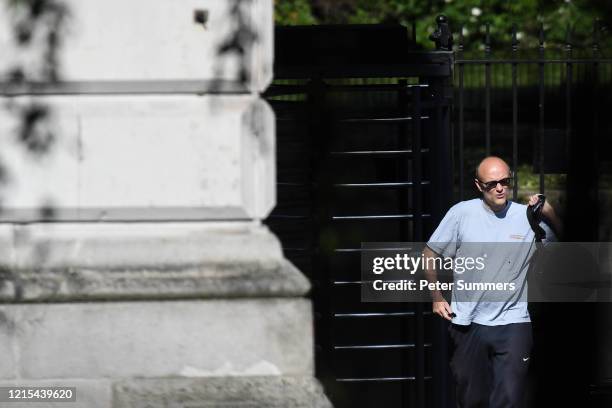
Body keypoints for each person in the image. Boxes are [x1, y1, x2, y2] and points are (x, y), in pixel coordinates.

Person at [422, 156, 562, 408]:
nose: (499, 188)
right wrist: (436, 297)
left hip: (513, 322)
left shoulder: (527, 216)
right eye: (491, 184)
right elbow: (429, 253)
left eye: (505, 181)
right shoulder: (461, 213)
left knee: (509, 397)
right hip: (467, 322)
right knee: (472, 399)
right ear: (479, 186)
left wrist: (549, 211)